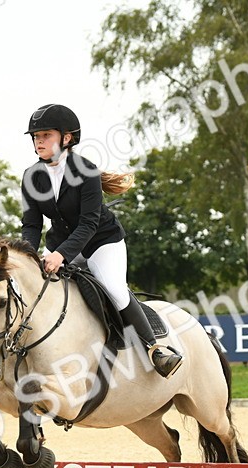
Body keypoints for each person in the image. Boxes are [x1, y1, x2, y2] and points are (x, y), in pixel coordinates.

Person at [20, 103, 182, 378]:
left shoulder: (87, 171)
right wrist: (25, 256)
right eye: (36, 136)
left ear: (66, 138)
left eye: (46, 135)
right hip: (60, 243)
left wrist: (61, 255)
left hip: (100, 242)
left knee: (114, 289)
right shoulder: (31, 176)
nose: (39, 141)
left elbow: (88, 224)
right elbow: (32, 225)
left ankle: (155, 349)